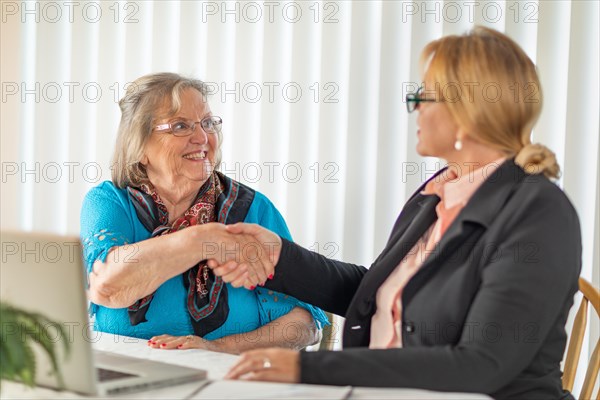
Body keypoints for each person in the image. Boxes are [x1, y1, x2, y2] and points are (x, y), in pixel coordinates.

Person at [214, 27, 582, 398]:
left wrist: (305, 367)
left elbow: (481, 364)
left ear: (467, 112)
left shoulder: (539, 212)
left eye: (424, 95)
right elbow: (380, 294)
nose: (415, 106)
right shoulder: (436, 193)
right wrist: (281, 258)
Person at [80, 72, 328, 354]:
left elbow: (303, 324)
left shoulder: (252, 209)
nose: (202, 137)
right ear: (140, 147)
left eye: (208, 123)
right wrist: (202, 240)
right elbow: (108, 287)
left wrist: (216, 348)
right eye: (180, 126)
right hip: (126, 376)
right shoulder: (112, 202)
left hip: (228, 379)